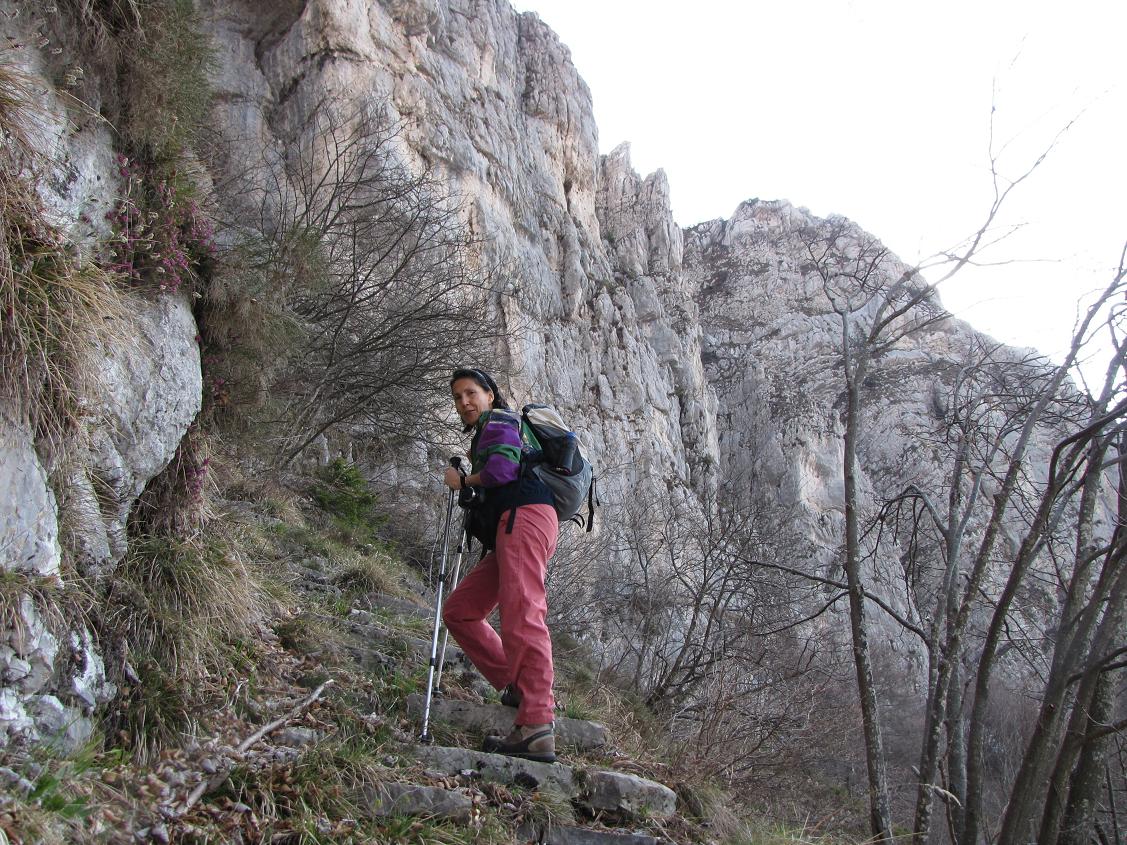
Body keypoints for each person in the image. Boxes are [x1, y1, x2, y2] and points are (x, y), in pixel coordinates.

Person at [440, 368, 559, 763]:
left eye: (471, 393)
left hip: (524, 518)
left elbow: (502, 471)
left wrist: (464, 481)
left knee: (523, 612)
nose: (464, 403)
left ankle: (537, 724)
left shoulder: (500, 420)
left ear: (490, 394)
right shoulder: (487, 430)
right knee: (460, 611)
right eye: (457, 397)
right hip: (515, 525)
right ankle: (516, 685)